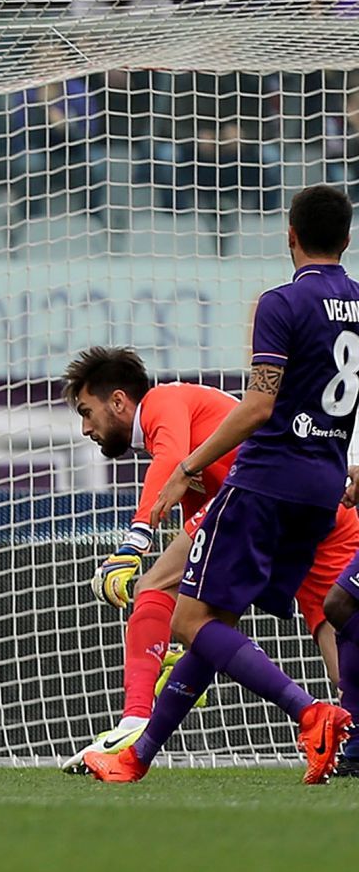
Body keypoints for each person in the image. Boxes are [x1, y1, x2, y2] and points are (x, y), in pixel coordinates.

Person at [85, 185, 359, 784]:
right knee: (214, 624)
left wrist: (190, 465)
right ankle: (138, 756)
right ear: (346, 238)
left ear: (290, 236)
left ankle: (311, 712)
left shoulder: (281, 303)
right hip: (325, 483)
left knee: (188, 622)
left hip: (266, 479)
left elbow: (259, 405)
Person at [59, 347, 354, 772]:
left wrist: (132, 545)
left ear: (119, 401)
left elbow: (173, 458)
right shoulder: (194, 431)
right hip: (319, 507)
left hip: (266, 495)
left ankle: (135, 718)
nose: (87, 428)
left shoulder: (162, 402)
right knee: (338, 661)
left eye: (87, 412)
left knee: (154, 588)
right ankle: (138, 756)